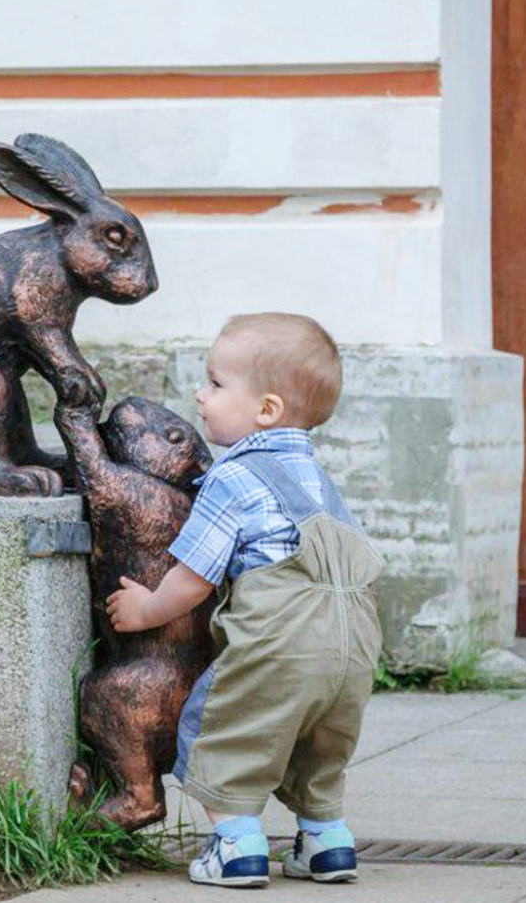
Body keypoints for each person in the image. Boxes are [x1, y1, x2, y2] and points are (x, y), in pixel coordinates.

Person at [105, 312, 383, 887]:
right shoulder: (316, 476)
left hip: (282, 637)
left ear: (266, 411)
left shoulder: (234, 478)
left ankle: (237, 844)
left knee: (221, 724)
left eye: (215, 383)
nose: (199, 395)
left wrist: (146, 609)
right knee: (317, 738)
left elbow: (196, 576)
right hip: (353, 642)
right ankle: (328, 842)